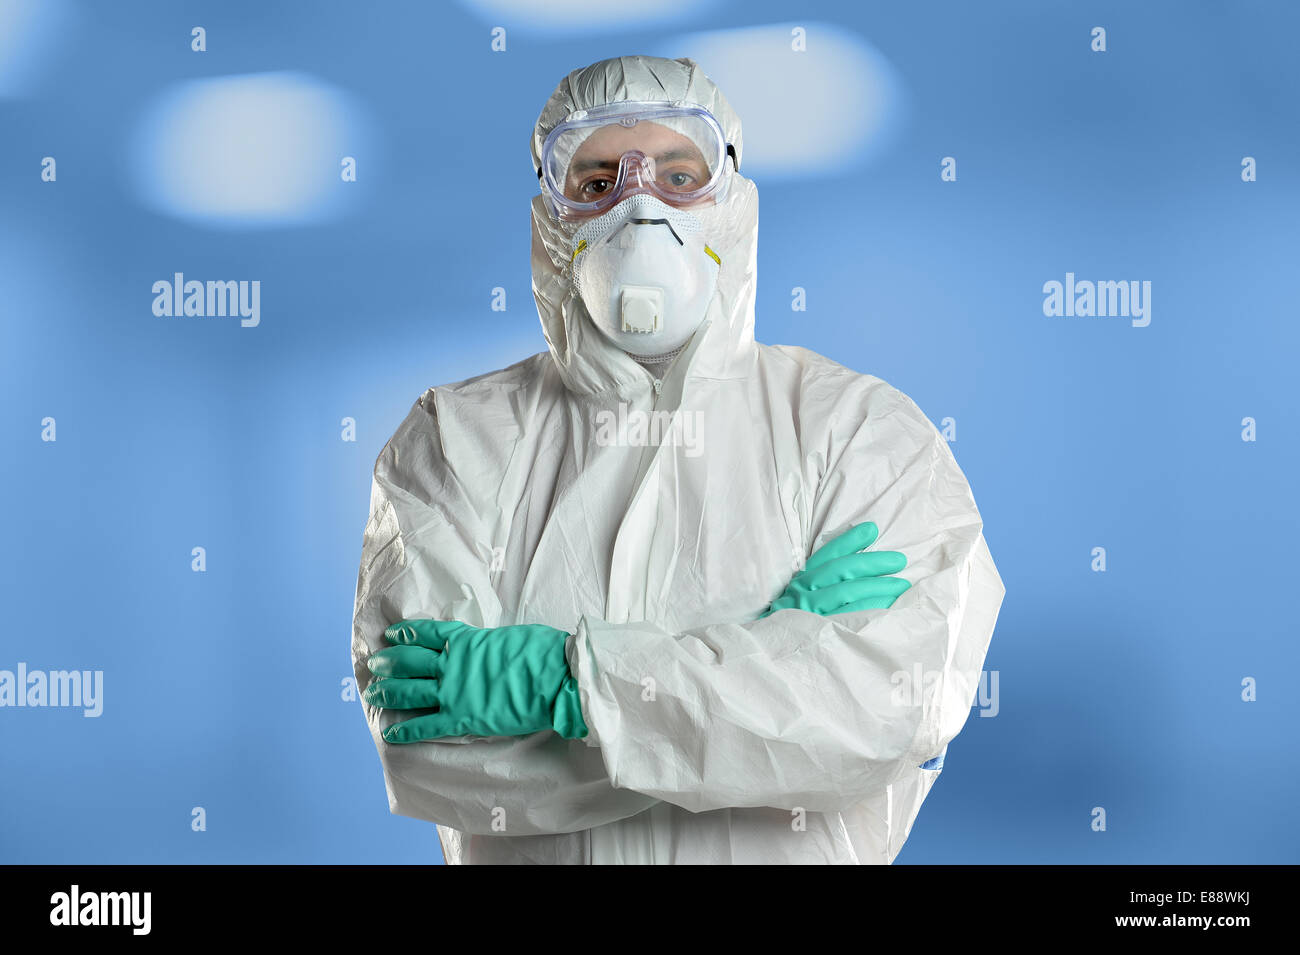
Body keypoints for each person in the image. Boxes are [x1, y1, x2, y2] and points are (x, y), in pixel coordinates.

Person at [350, 54, 1005, 865]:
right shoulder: (453, 441)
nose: (639, 207)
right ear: (550, 222)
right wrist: (765, 687)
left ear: (731, 206)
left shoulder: (860, 435)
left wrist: (561, 682)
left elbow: (882, 714)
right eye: (596, 184)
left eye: (678, 175)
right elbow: (428, 756)